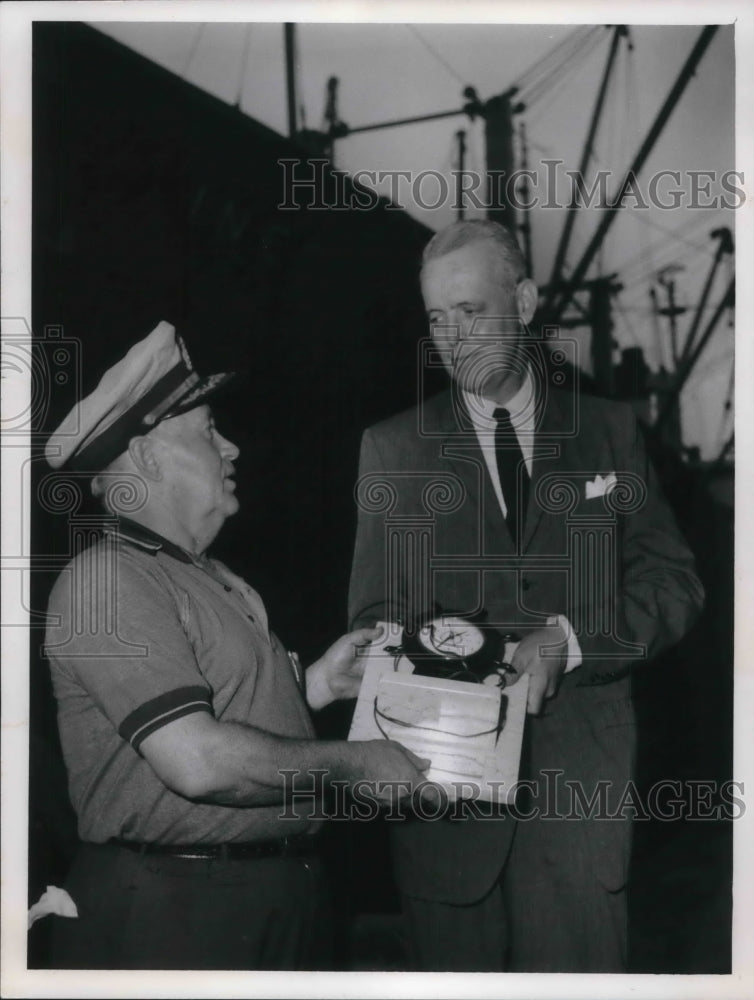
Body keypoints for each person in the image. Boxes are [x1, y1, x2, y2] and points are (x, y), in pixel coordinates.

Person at [348, 220, 704, 972]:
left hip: (580, 815)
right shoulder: (392, 449)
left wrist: (570, 640)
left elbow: (674, 583)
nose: (452, 337)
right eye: (437, 318)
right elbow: (373, 620)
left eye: (471, 311)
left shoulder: (608, 434)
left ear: (527, 301)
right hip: (444, 811)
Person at [42, 321, 430, 971]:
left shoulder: (201, 574)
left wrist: (318, 685)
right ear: (144, 457)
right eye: (207, 431)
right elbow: (196, 759)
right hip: (181, 909)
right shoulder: (108, 579)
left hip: (261, 896)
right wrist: (361, 764)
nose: (232, 448)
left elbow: (210, 709)